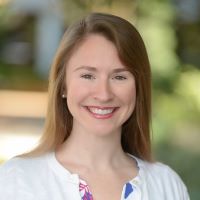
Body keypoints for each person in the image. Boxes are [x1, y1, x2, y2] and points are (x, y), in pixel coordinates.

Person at [0, 13, 189, 200]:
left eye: (119, 77)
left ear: (138, 88)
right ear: (63, 85)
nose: (104, 94)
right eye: (88, 76)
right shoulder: (18, 180)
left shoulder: (166, 185)